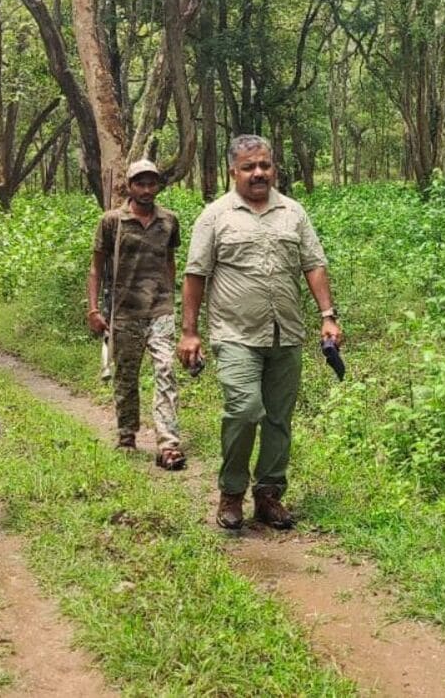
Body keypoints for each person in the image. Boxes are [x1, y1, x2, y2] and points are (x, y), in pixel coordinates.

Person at [178, 135, 342, 530]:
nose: (258, 173)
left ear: (274, 168)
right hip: (235, 334)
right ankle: (231, 492)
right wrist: (189, 332)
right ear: (232, 171)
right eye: (249, 167)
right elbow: (195, 274)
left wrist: (328, 316)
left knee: (279, 418)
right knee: (245, 410)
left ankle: (269, 495)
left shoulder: (293, 213)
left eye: (265, 166)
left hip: (285, 333)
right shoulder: (215, 216)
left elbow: (314, 265)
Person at [86, 159, 185, 470]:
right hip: (124, 311)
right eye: (139, 183)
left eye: (151, 183)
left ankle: (168, 442)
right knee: (126, 376)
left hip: (160, 309)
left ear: (158, 186)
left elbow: (169, 260)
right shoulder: (112, 221)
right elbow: (96, 268)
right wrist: (93, 309)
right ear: (128, 186)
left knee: (166, 370)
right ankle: (127, 434)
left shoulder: (169, 221)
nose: (146, 190)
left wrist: (172, 297)